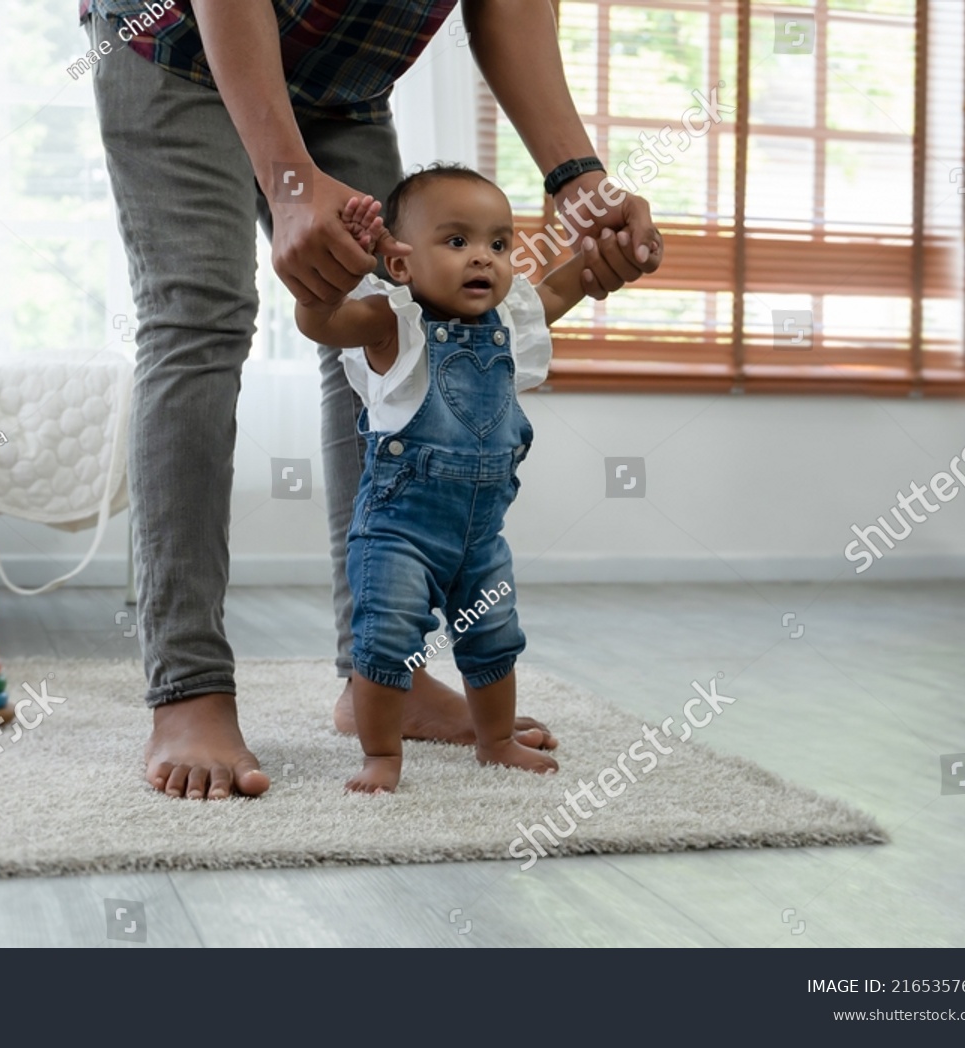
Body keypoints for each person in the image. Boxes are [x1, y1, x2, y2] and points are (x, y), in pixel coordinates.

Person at [81, 0, 663, 799]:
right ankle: (190, 688)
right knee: (198, 316)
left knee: (391, 319)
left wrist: (578, 183)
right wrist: (288, 182)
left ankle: (380, 678)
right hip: (175, 39)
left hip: (343, 78)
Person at [297, 169, 585, 791]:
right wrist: (332, 283)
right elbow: (320, 323)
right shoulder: (390, 324)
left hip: (480, 540)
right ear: (400, 264)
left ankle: (496, 740)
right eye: (457, 242)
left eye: (499, 244)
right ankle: (381, 756)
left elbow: (562, 290)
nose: (483, 256)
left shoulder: (509, 321)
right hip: (398, 535)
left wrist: (600, 256)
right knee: (385, 642)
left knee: (496, 638)